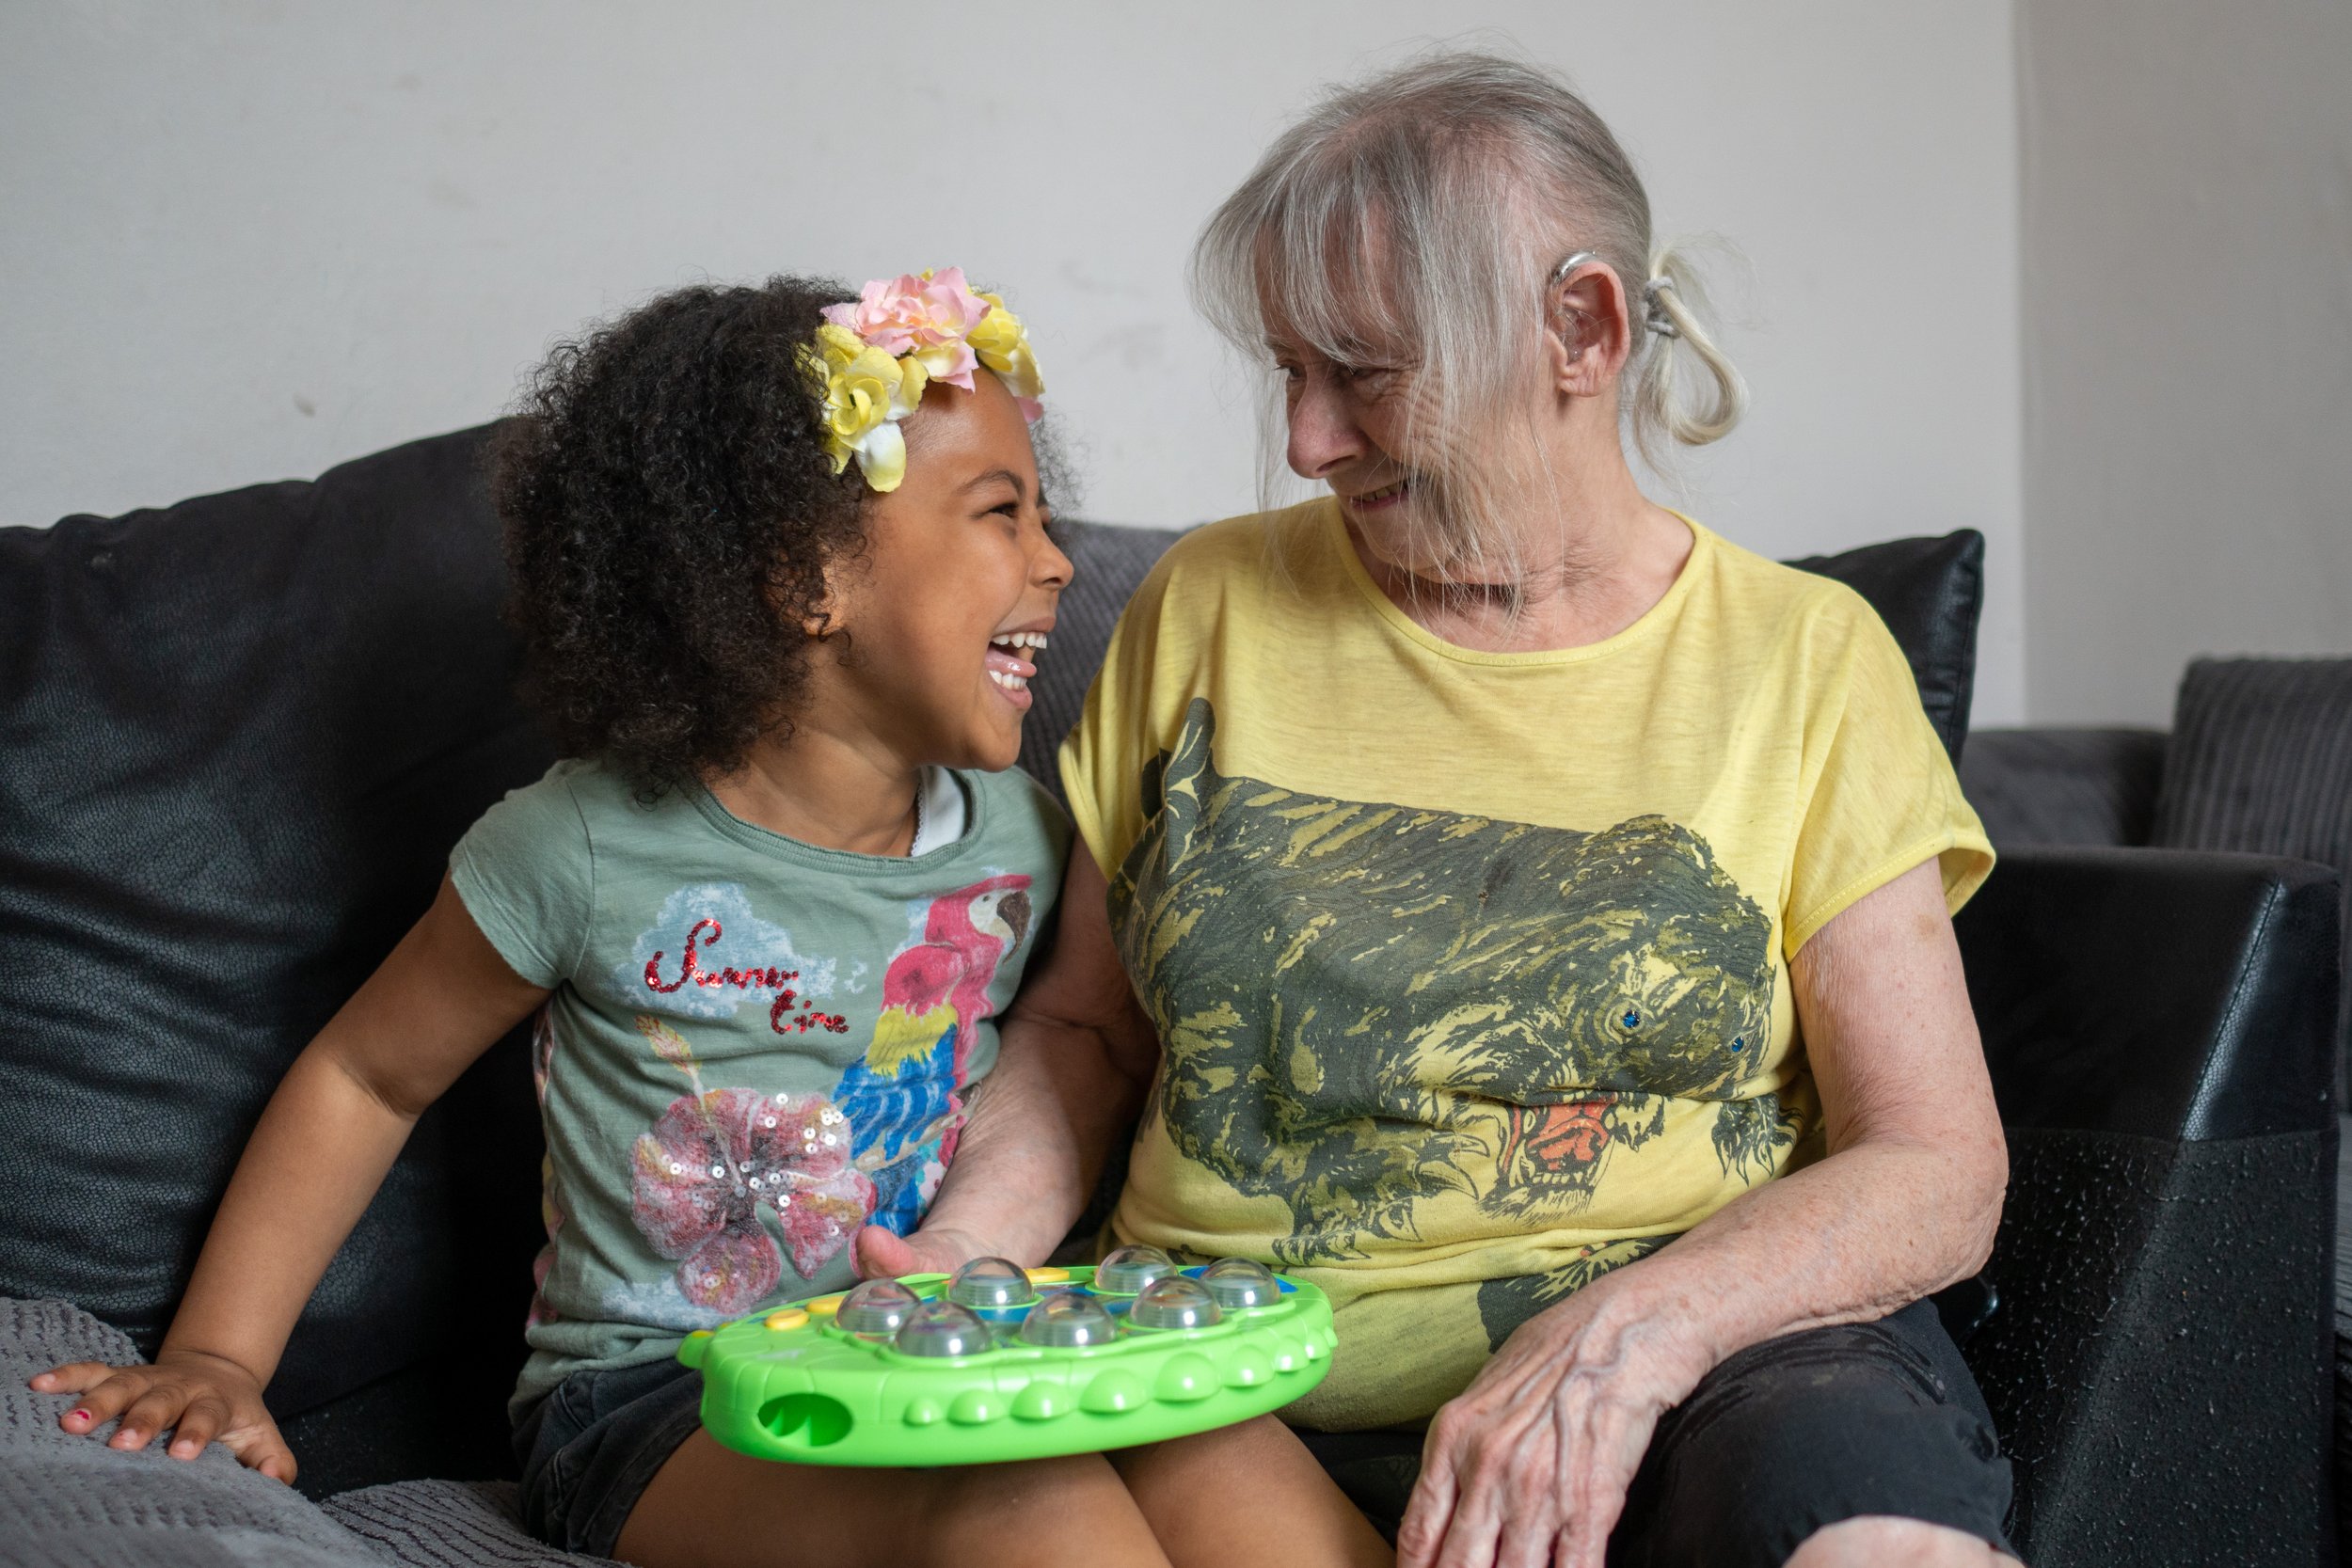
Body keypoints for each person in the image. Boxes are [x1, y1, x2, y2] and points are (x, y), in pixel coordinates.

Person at [29, 272, 1390, 1568]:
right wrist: (217, 1359)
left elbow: (1090, 1058)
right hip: (655, 1407)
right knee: (1024, 1511)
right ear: (809, 584)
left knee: (1243, 1474)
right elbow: (364, 1076)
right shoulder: (580, 848)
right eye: (999, 514)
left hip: (954, 1351)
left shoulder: (1025, 842)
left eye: (1044, 515)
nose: (1054, 563)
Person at [864, 54, 2018, 1568]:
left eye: (1368, 370)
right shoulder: (1205, 603)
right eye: (1290, 369)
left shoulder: (1805, 661)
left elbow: (1934, 1160)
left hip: (1704, 1357)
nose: (1307, 439)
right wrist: (965, 1258)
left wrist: (1626, 1336)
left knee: (1864, 1543)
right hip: (1219, 1376)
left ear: (1581, 329)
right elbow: (1086, 1032)